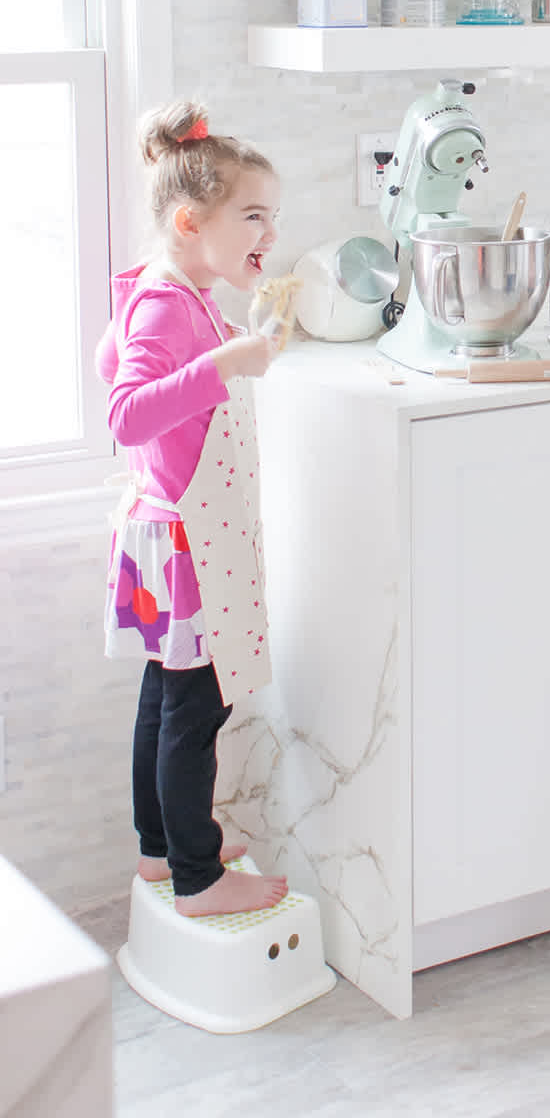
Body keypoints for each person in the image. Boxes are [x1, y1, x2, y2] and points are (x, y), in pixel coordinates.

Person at [97, 100, 289, 917]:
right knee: (196, 711)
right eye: (252, 216)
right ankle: (201, 878)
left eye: (271, 218)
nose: (268, 235)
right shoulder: (169, 304)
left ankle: (161, 848)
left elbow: (112, 358)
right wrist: (225, 364)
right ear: (188, 220)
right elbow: (126, 411)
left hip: (164, 531)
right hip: (185, 542)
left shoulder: (167, 288)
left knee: (164, 699)